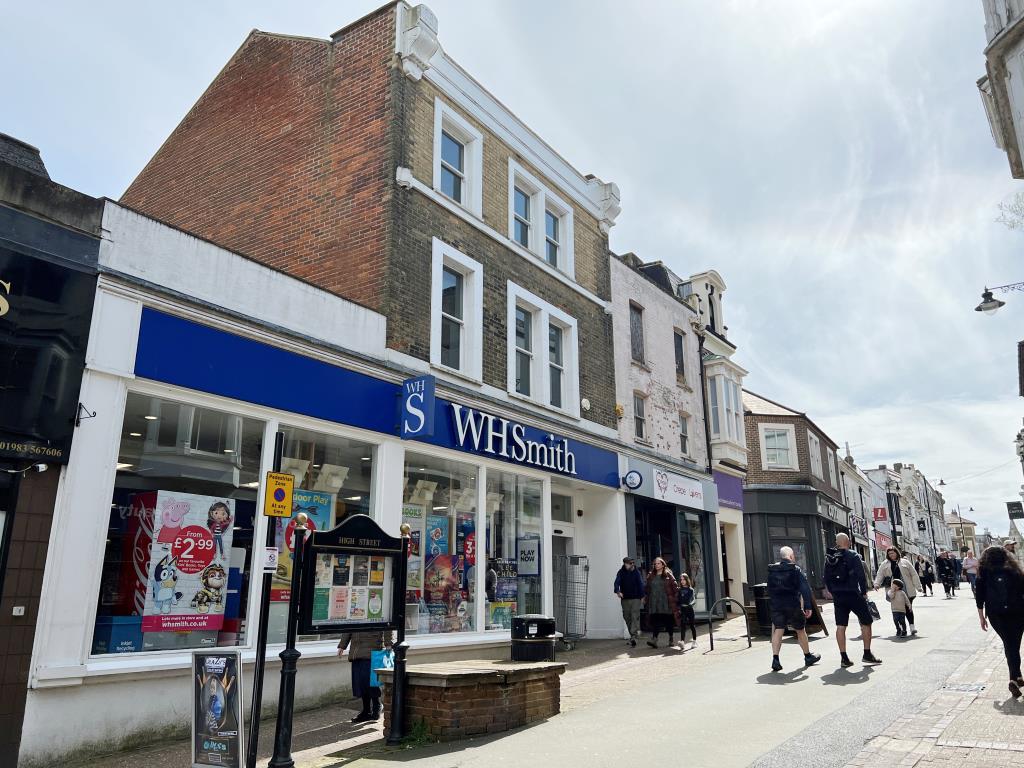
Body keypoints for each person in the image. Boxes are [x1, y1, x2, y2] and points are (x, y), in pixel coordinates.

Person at [823, 533, 882, 667]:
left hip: (838, 596)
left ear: (837, 542)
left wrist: (833, 592)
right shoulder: (853, 555)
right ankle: (867, 654)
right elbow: (861, 576)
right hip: (853, 594)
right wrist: (864, 592)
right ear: (848, 542)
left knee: (840, 626)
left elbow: (825, 577)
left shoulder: (830, 557)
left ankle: (844, 658)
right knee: (867, 622)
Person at [975, 545, 1024, 698]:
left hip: (996, 613)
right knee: (1014, 644)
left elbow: (980, 597)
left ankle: (1016, 677)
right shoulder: (1014, 569)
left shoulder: (983, 571)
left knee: (1009, 644)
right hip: (1017, 611)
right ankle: (1015, 677)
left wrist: (982, 617)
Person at [766, 545, 820, 671]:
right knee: (800, 630)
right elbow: (805, 588)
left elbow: (769, 589)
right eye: (793, 556)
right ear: (790, 556)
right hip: (793, 604)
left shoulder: (772, 570)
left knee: (778, 630)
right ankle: (807, 657)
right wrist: (807, 605)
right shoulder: (795, 569)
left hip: (776, 605)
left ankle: (775, 660)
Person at [337, 630, 391, 722]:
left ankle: (376, 705)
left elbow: (387, 627)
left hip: (372, 649)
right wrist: (342, 646)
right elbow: (348, 627)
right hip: (356, 651)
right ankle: (366, 711)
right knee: (360, 683)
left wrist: (388, 644)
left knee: (370, 681)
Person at [872, 547, 922, 636]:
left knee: (908, 608)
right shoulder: (885, 564)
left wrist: (918, 587)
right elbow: (880, 574)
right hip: (894, 590)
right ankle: (901, 628)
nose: (891, 555)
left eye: (893, 553)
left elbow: (913, 574)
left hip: (906, 588)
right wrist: (877, 584)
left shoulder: (905, 562)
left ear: (897, 553)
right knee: (898, 610)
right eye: (889, 553)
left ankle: (912, 626)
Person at [643, 557, 679, 649]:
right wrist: (645, 597)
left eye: (658, 563)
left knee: (668, 622)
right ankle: (654, 640)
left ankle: (671, 638)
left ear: (663, 564)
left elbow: (675, 587)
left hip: (666, 602)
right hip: (654, 602)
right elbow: (647, 588)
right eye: (655, 564)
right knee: (656, 622)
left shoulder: (668, 575)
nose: (656, 565)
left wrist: (676, 598)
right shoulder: (651, 575)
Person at [614, 556, 645, 647]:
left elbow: (640, 584)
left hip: (636, 598)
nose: (628, 565)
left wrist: (642, 596)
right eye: (626, 564)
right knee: (626, 616)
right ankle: (633, 636)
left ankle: (634, 636)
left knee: (634, 615)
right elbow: (616, 582)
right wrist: (618, 591)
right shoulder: (621, 572)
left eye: (629, 563)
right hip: (625, 599)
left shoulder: (636, 572)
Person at [677, 573, 698, 649]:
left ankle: (694, 641)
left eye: (684, 579)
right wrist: (678, 608)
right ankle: (682, 642)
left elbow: (694, 600)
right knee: (683, 625)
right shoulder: (679, 590)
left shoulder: (690, 589)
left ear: (687, 580)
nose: (682, 581)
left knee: (692, 625)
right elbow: (678, 601)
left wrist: (690, 604)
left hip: (689, 610)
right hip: (683, 610)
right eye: (681, 580)